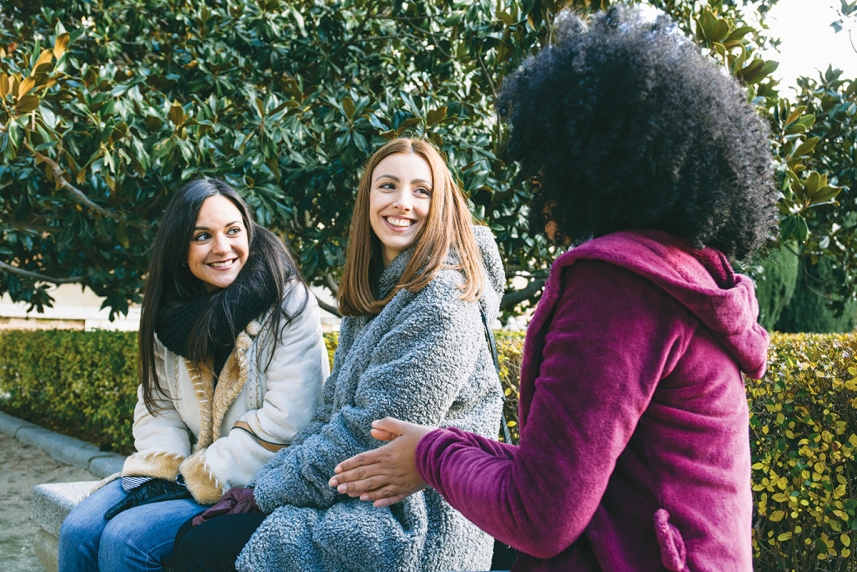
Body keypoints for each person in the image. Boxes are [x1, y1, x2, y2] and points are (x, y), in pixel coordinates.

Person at [329, 6, 777, 571]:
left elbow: (539, 515)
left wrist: (432, 452)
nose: (537, 180)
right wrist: (439, 445)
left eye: (543, 162)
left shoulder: (618, 289)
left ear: (590, 161)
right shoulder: (682, 273)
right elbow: (565, 473)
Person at [172, 137, 506, 572]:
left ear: (440, 204)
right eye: (388, 186)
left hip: (416, 523)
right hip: (359, 498)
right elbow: (329, 415)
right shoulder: (371, 299)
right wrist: (259, 488)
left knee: (203, 549)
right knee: (193, 537)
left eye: (421, 191)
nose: (403, 202)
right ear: (368, 198)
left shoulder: (443, 300)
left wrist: (264, 494)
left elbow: (371, 434)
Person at [57, 179, 329, 572]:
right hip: (185, 474)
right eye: (203, 236)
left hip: (257, 481)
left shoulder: (286, 302)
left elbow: (288, 421)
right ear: (179, 249)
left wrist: (199, 475)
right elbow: (158, 407)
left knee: (127, 540)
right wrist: (167, 471)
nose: (223, 248)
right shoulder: (169, 313)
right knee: (77, 530)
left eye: (233, 231)